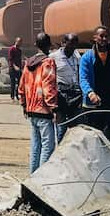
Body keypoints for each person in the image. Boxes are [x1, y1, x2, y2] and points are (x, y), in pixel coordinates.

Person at [19, 32, 59, 172]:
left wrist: (24, 105)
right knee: (48, 146)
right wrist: (54, 108)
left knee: (36, 146)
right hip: (44, 110)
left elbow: (21, 87)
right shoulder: (48, 62)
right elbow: (48, 87)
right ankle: (41, 178)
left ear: (36, 45)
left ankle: (33, 175)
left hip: (31, 110)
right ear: (49, 46)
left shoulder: (28, 63)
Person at [78, 26, 110, 143]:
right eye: (101, 36)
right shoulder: (86, 58)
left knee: (109, 141)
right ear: (95, 38)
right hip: (93, 105)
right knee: (93, 140)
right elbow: (83, 79)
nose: (104, 39)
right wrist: (90, 93)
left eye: (106, 36)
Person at [53, 33, 81, 141]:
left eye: (75, 45)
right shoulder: (53, 57)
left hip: (74, 94)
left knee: (76, 127)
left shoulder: (77, 56)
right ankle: (60, 148)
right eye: (71, 44)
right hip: (60, 95)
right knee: (61, 128)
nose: (73, 47)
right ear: (63, 43)